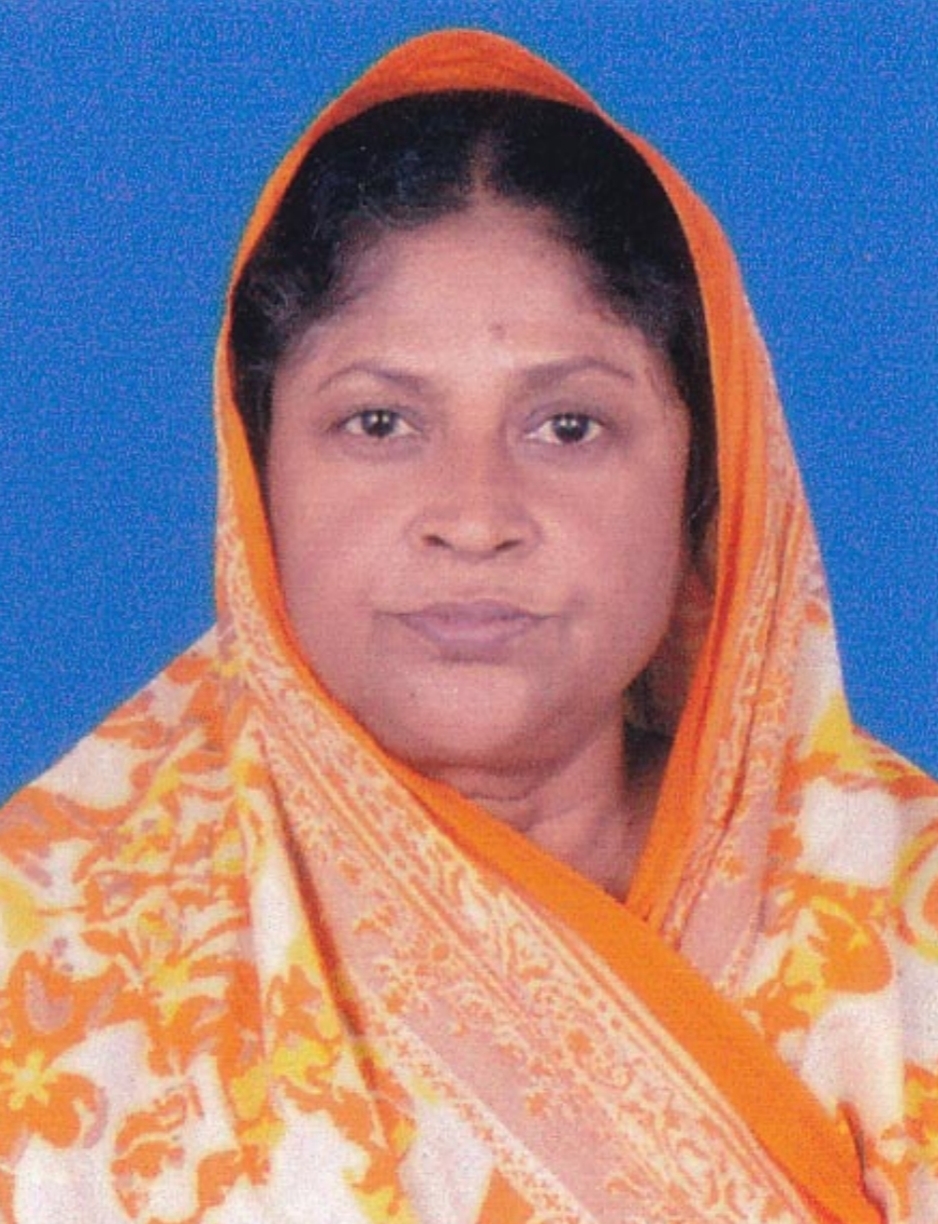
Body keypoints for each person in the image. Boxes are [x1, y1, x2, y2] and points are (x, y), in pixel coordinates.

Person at [0, 29, 935, 1224]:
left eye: (568, 427)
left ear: (705, 478)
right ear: (256, 473)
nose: (475, 516)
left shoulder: (900, 922)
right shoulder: (51, 945)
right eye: (379, 423)